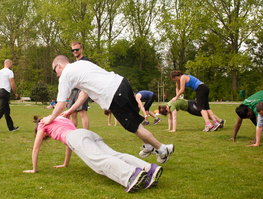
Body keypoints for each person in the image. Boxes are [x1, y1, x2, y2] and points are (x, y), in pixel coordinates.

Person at [43, 55, 174, 163]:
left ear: (59, 65)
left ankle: (162, 149)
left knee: (133, 127)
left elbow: (60, 103)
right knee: (133, 122)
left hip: (113, 95)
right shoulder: (81, 64)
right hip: (122, 84)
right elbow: (85, 93)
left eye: (55, 72)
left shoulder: (65, 74)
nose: (57, 75)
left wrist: (51, 118)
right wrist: (71, 110)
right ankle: (149, 145)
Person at [23, 116, 163, 193]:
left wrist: (34, 169)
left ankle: (132, 175)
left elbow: (35, 149)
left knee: (99, 162)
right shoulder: (60, 118)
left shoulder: (43, 124)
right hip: (87, 133)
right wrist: (65, 164)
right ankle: (149, 168)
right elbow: (69, 145)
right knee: (115, 154)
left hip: (76, 137)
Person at [0, 59, 19, 133]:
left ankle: (11, 128)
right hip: (4, 92)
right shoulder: (10, 72)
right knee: (0, 111)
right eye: (11, 64)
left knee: (7, 111)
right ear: (8, 63)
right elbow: (12, 83)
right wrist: (15, 92)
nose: (12, 65)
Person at [68, 41, 91, 129]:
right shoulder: (75, 63)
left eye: (77, 49)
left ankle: (86, 135)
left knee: (82, 113)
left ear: (81, 49)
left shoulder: (86, 61)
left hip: (82, 90)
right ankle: (74, 134)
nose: (75, 52)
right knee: (72, 113)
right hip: (73, 90)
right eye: (73, 50)